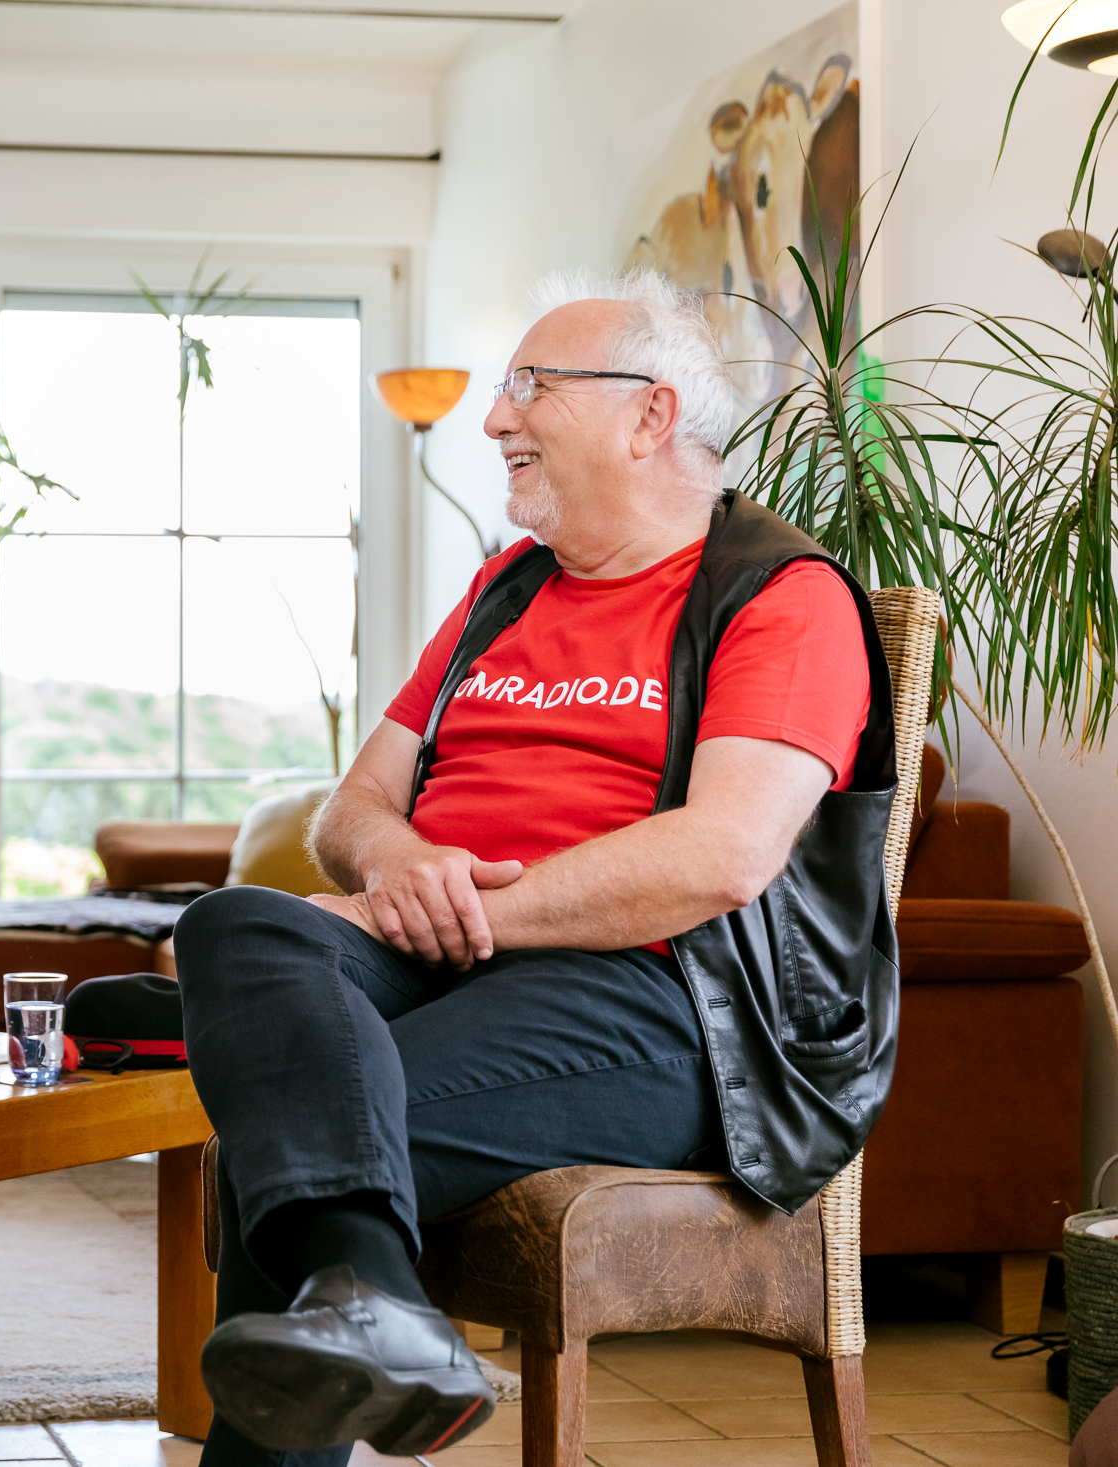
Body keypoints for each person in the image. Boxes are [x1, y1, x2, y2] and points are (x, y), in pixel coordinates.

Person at [177, 270, 898, 1465]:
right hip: (454, 960)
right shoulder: (500, 592)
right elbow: (355, 806)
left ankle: (362, 1296)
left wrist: (458, 912)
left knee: (301, 1128)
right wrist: (401, 862)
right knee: (243, 928)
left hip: (665, 1001)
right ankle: (382, 1305)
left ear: (649, 415)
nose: (495, 418)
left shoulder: (780, 595)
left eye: (529, 387)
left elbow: (721, 857)